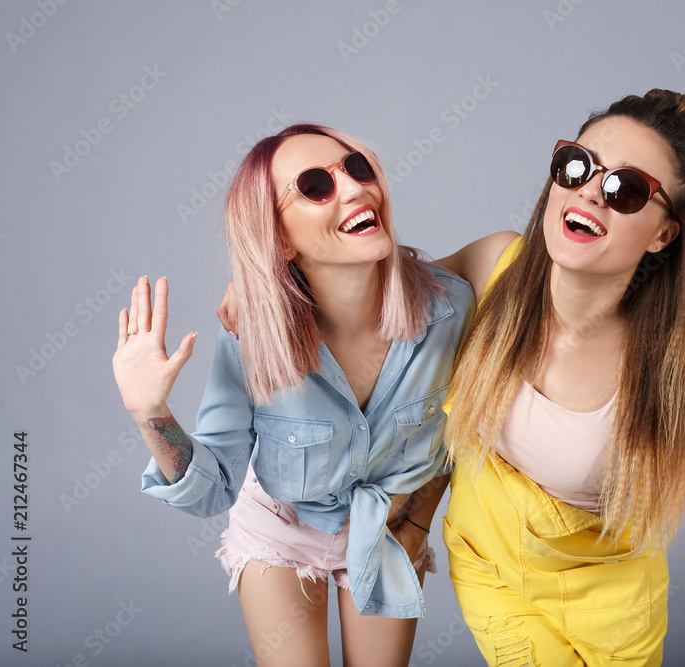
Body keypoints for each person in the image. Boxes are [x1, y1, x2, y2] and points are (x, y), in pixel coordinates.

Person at [435, 89, 685, 665]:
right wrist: (281, 281)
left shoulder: (673, 370)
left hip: (612, 616)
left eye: (626, 189)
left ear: (664, 234)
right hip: (493, 574)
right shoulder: (494, 267)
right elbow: (379, 305)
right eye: (576, 166)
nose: (590, 190)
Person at [111, 124, 475, 667]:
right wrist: (150, 415)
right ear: (278, 237)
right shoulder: (251, 339)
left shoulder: (451, 311)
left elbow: (461, 435)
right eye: (314, 185)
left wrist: (417, 523)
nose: (353, 189)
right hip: (280, 528)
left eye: (356, 168)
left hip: (387, 526)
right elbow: (213, 489)